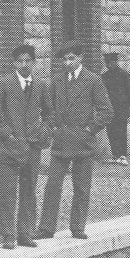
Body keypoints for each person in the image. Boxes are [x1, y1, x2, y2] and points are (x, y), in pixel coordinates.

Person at [38, 43, 114, 240]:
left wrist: (89, 130)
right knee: (53, 185)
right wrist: (54, 128)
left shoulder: (93, 80)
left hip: (83, 142)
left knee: (81, 186)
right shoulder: (56, 81)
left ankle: (77, 227)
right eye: (64, 59)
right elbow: (49, 109)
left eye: (71, 58)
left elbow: (106, 111)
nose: (68, 63)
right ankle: (46, 228)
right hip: (61, 141)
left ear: (81, 58)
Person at [0, 44, 50, 250]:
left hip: (33, 146)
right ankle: (8, 234)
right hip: (9, 146)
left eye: (28, 61)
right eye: (20, 61)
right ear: (14, 63)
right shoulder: (3, 84)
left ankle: (25, 232)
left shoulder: (41, 85)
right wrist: (7, 135)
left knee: (29, 189)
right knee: (8, 191)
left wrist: (45, 130)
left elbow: (50, 113)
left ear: (33, 62)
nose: (24, 65)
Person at [101, 52, 130, 165]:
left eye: (111, 62)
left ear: (115, 62)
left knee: (121, 133)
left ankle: (123, 155)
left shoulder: (124, 75)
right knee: (111, 132)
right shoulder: (104, 77)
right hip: (109, 110)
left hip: (121, 110)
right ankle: (115, 155)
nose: (109, 65)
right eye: (107, 63)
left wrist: (125, 105)